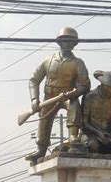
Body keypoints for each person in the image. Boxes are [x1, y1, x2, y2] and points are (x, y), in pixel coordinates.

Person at [26, 27, 91, 164]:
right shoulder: (48, 61)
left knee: (74, 106)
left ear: (74, 44)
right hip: (49, 97)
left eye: (71, 41)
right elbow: (34, 80)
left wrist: (75, 92)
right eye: (64, 41)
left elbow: (85, 85)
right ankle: (41, 150)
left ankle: (73, 138)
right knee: (44, 120)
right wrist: (34, 99)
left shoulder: (78, 63)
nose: (67, 44)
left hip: (67, 96)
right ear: (59, 42)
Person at [81, 72, 111, 153]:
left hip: (108, 135)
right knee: (93, 146)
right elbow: (84, 122)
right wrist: (99, 133)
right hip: (90, 133)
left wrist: (110, 135)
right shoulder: (90, 96)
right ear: (105, 86)